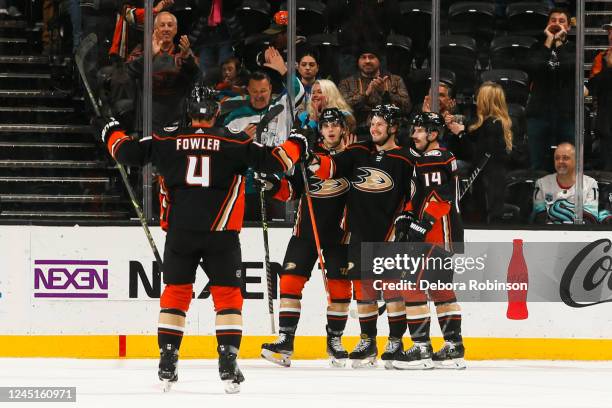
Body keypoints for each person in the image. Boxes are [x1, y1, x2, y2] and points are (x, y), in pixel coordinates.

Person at [95, 84, 312, 394]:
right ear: (215, 111)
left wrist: (109, 130)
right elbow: (277, 162)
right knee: (228, 299)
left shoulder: (167, 140)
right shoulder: (235, 141)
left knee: (176, 293)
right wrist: (299, 142)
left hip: (180, 234)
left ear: (189, 111)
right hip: (221, 236)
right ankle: (227, 362)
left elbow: (126, 153)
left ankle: (168, 360)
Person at [309, 104, 416, 369]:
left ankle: (395, 341)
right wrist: (311, 158)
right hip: (358, 232)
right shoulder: (359, 151)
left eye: (380, 124)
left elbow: (415, 194)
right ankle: (368, 340)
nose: (374, 128)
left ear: (393, 128)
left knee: (392, 291)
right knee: (364, 290)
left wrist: (409, 218)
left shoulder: (406, 159)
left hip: (389, 233)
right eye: (372, 123)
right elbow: (332, 167)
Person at [258, 108, 356, 368]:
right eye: (326, 126)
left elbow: (330, 170)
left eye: (336, 125)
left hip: (340, 234)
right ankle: (285, 340)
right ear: (320, 130)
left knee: (339, 290)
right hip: (305, 231)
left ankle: (335, 341)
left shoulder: (352, 157)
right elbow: (292, 190)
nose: (331, 129)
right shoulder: (307, 159)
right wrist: (273, 186)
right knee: (289, 283)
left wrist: (308, 155)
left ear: (344, 129)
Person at [392, 112, 466, 370]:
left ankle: (421, 349)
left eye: (420, 130)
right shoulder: (431, 159)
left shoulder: (433, 159)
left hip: (436, 232)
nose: (414, 135)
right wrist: (407, 216)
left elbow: (439, 197)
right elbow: (421, 196)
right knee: (440, 290)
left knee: (411, 284)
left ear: (433, 134)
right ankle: (453, 347)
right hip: (446, 233)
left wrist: (422, 223)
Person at [447, 82, 513, 224]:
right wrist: (462, 130)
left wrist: (460, 134)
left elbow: (476, 154)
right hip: (494, 178)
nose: (477, 102)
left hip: (488, 181)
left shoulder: (492, 125)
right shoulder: (499, 122)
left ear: (486, 101)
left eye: (479, 98)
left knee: (486, 218)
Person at [127, 11, 200, 130]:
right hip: (147, 120)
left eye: (170, 25)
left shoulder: (184, 52)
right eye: (162, 25)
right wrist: (148, 55)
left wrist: (187, 58)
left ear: (176, 30)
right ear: (155, 29)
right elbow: (127, 73)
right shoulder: (142, 50)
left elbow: (197, 77)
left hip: (177, 119)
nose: (166, 29)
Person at [525, 8, 576, 171]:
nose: (557, 24)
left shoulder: (573, 49)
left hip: (566, 113)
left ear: (568, 27)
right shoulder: (536, 47)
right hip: (539, 112)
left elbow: (569, 68)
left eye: (562, 21)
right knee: (536, 163)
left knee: (567, 163)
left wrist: (559, 43)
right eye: (553, 20)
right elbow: (534, 68)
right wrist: (548, 41)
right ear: (547, 24)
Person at [338, 46, 411, 138]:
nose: (367, 61)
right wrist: (366, 94)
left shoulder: (395, 80)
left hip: (390, 132)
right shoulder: (346, 83)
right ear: (358, 61)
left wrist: (385, 92)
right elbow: (343, 109)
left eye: (371, 57)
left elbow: (407, 108)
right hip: (359, 131)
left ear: (379, 60)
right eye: (363, 57)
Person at [532, 143, 599, 224]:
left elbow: (590, 219)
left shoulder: (590, 184)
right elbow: (539, 218)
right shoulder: (542, 183)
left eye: (565, 158)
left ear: (576, 161)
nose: (560, 161)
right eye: (557, 158)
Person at [587, 21, 612, 171]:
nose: (611, 36)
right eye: (609, 32)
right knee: (607, 167)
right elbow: (593, 87)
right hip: (606, 123)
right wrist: (609, 68)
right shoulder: (600, 58)